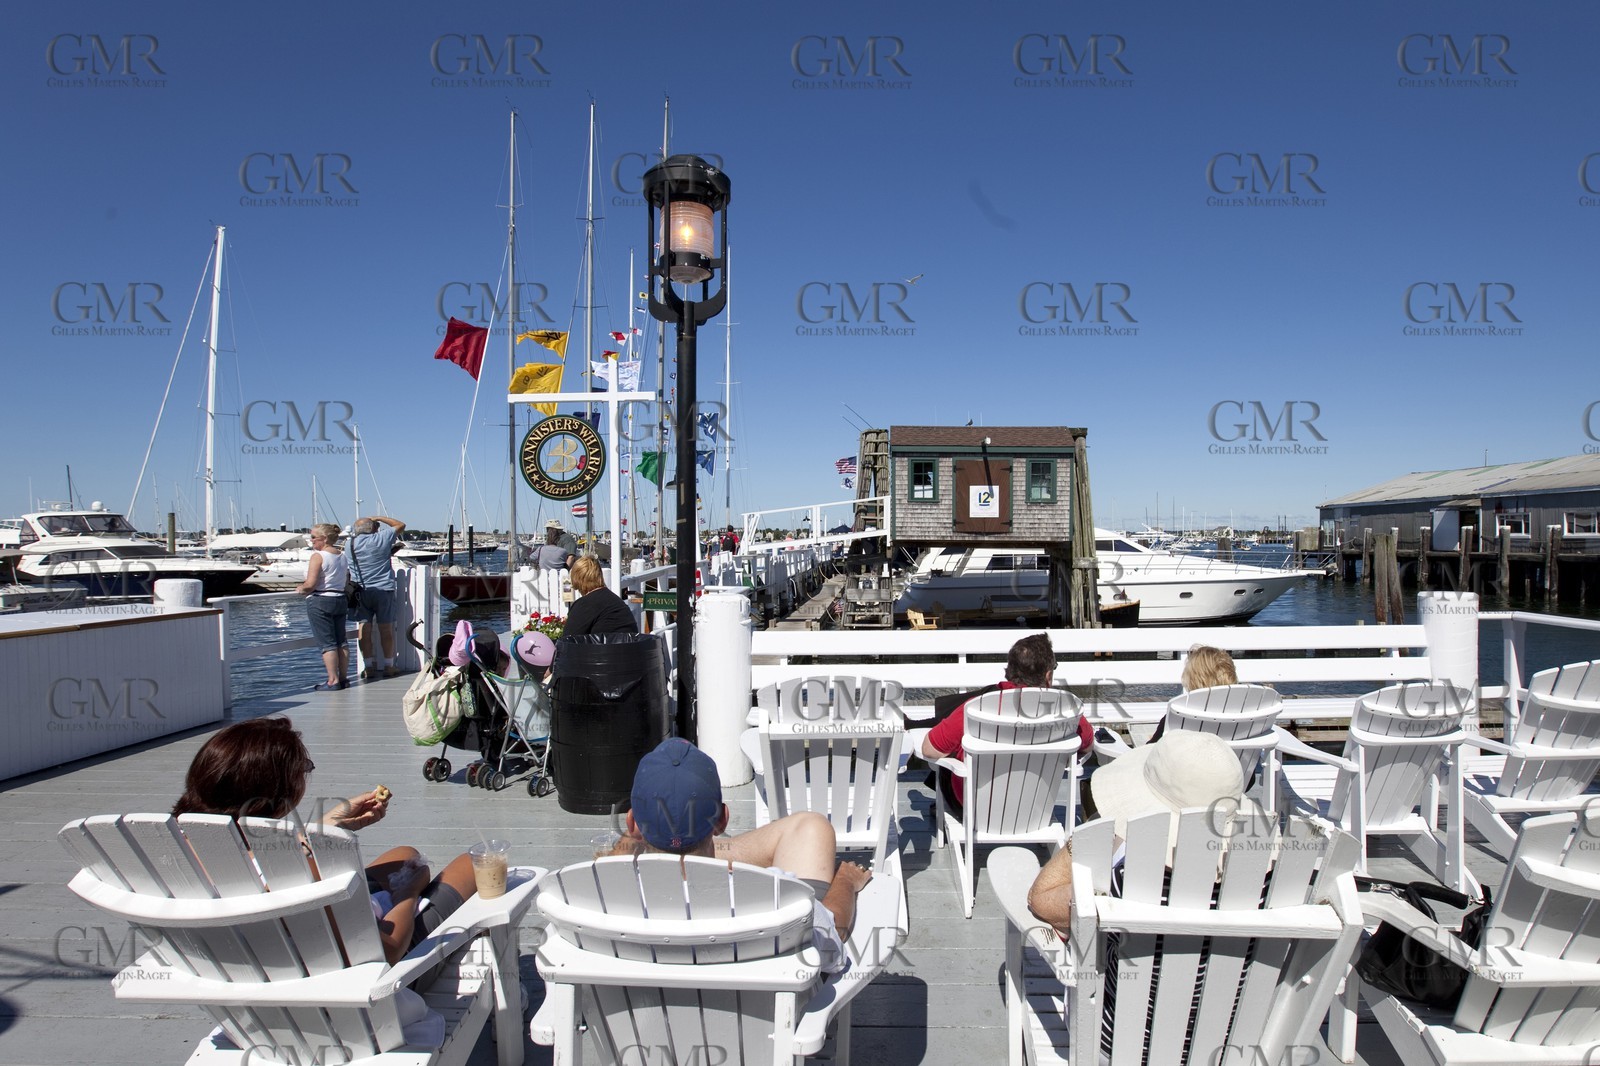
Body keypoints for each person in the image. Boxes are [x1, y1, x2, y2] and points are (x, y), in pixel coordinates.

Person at [171, 718, 482, 981]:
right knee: (473, 863)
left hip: (260, 971)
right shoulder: (301, 869)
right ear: (279, 789)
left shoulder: (186, 847)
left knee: (405, 855)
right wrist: (408, 896)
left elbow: (262, 868)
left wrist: (328, 826)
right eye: (303, 768)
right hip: (360, 985)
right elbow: (386, 951)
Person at [1025, 730, 1249, 1060]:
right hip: (1228, 1050)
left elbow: (1041, 897)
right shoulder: (1267, 886)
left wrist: (1087, 837)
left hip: (1123, 1047)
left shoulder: (1125, 882)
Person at [609, 738, 873, 950]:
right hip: (765, 1014)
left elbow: (610, 861)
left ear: (632, 826)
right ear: (723, 820)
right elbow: (831, 932)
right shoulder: (771, 893)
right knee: (812, 828)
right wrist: (846, 881)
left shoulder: (602, 899)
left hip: (636, 1013)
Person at [920, 632, 1094, 817]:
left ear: (1010, 670)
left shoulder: (978, 707)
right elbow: (1088, 745)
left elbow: (929, 749)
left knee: (956, 750)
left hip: (976, 806)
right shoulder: (1066, 710)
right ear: (1048, 675)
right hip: (1035, 806)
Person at [348, 515, 406, 681]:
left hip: (360, 591)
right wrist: (378, 517)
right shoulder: (381, 538)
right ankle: (389, 666)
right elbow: (400, 524)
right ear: (373, 528)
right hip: (382, 589)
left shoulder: (349, 544)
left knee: (363, 630)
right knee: (386, 629)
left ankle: (368, 667)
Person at [1147, 644, 1239, 743]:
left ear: (1192, 680)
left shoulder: (1177, 716)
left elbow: (1151, 749)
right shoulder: (1241, 715)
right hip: (1234, 757)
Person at [296, 522, 349, 690]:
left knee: (327, 643)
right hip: (340, 598)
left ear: (324, 539)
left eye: (313, 537)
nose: (311, 541)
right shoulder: (342, 556)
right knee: (341, 642)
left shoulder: (318, 556)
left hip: (320, 600)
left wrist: (301, 588)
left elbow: (311, 584)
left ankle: (332, 681)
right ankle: (343, 678)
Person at [564, 555, 639, 637]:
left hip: (604, 649)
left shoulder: (584, 605)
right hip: (631, 647)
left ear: (577, 579)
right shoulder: (616, 602)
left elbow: (568, 640)